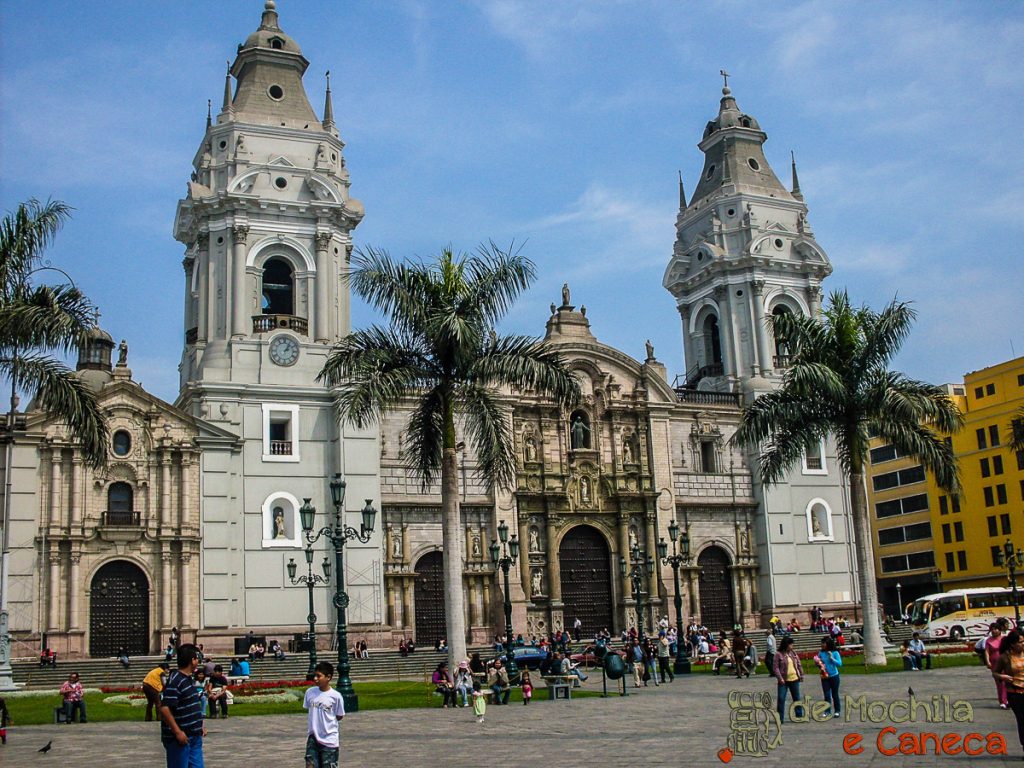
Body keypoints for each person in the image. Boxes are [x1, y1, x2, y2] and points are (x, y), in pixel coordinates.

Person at [158, 643, 206, 767]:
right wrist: (177, 732)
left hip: (194, 736)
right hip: (179, 739)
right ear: (192, 660)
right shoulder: (176, 680)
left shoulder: (188, 679)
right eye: (196, 657)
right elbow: (164, 708)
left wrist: (198, 726)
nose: (198, 660)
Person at [304, 661, 345, 768]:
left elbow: (339, 715)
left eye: (319, 676)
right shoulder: (310, 692)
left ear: (328, 677)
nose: (315, 678)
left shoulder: (336, 696)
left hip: (329, 740)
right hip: (313, 738)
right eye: (315, 675)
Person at [773, 636, 803, 723]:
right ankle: (780, 717)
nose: (792, 646)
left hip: (794, 678)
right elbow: (775, 668)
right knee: (781, 698)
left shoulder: (793, 653)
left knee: (796, 698)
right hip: (783, 680)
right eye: (791, 644)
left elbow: (798, 664)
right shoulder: (778, 654)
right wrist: (780, 678)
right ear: (786, 645)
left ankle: (799, 715)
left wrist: (801, 674)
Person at [817, 636, 843, 718]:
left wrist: (832, 658)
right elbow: (819, 662)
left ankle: (837, 710)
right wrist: (818, 664)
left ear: (828, 644)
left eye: (823, 643)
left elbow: (839, 664)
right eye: (822, 643)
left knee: (835, 694)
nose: (822, 645)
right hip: (824, 676)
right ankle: (827, 711)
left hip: (834, 676)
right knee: (827, 694)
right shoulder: (821, 653)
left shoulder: (835, 652)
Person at [987, 623, 1009, 708]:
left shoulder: (1004, 639)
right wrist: (988, 661)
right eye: (992, 629)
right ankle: (1002, 701)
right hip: (995, 663)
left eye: (996, 629)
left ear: (1000, 630)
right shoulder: (989, 640)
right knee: (999, 682)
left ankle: (1006, 700)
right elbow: (986, 652)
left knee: (1006, 681)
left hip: (1005, 662)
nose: (994, 631)